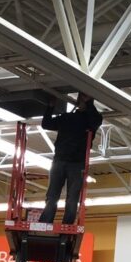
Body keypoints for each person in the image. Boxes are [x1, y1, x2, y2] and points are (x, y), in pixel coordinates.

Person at [39, 92, 103, 225]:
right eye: (81, 99)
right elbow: (46, 124)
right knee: (56, 195)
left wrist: (89, 103)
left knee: (69, 197)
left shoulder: (90, 120)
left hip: (73, 162)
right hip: (65, 161)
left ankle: (63, 224)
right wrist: (50, 107)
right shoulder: (68, 117)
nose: (82, 101)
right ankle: (49, 222)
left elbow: (95, 121)